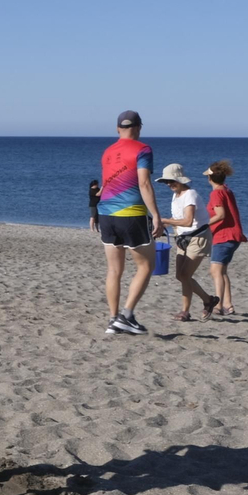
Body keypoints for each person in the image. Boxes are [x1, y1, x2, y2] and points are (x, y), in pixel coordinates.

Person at [97, 111, 163, 334]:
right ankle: (127, 315)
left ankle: (113, 320)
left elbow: (105, 185)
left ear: (118, 128)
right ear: (139, 127)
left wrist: (92, 212)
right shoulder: (143, 149)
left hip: (106, 214)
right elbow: (144, 184)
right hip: (132, 214)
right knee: (146, 266)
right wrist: (156, 216)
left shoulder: (107, 152)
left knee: (114, 270)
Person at [156, 164, 217, 320]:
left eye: (171, 181)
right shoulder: (175, 196)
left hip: (198, 237)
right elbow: (179, 221)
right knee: (181, 275)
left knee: (184, 274)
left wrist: (165, 220)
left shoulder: (190, 194)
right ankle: (190, 309)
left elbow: (188, 221)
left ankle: (206, 301)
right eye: (166, 182)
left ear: (180, 179)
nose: (169, 184)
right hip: (182, 238)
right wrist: (172, 230)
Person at [204, 160, 245, 315]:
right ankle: (228, 304)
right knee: (221, 271)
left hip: (224, 236)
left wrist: (204, 225)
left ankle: (218, 305)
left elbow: (221, 215)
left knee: (215, 271)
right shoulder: (226, 190)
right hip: (232, 236)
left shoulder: (217, 193)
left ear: (210, 178)